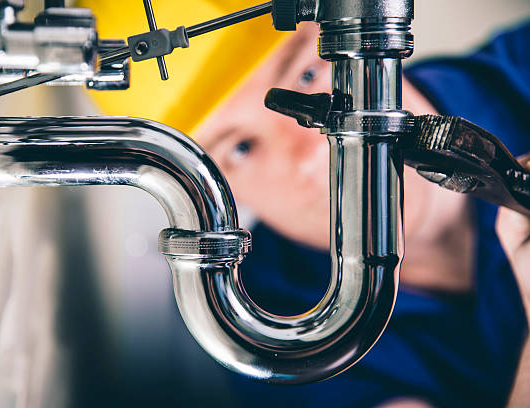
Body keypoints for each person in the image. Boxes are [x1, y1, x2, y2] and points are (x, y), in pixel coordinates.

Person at [86, 1, 530, 406]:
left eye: (305, 76)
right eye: (242, 148)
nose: (310, 151)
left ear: (375, 40)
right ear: (220, 189)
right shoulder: (264, 331)